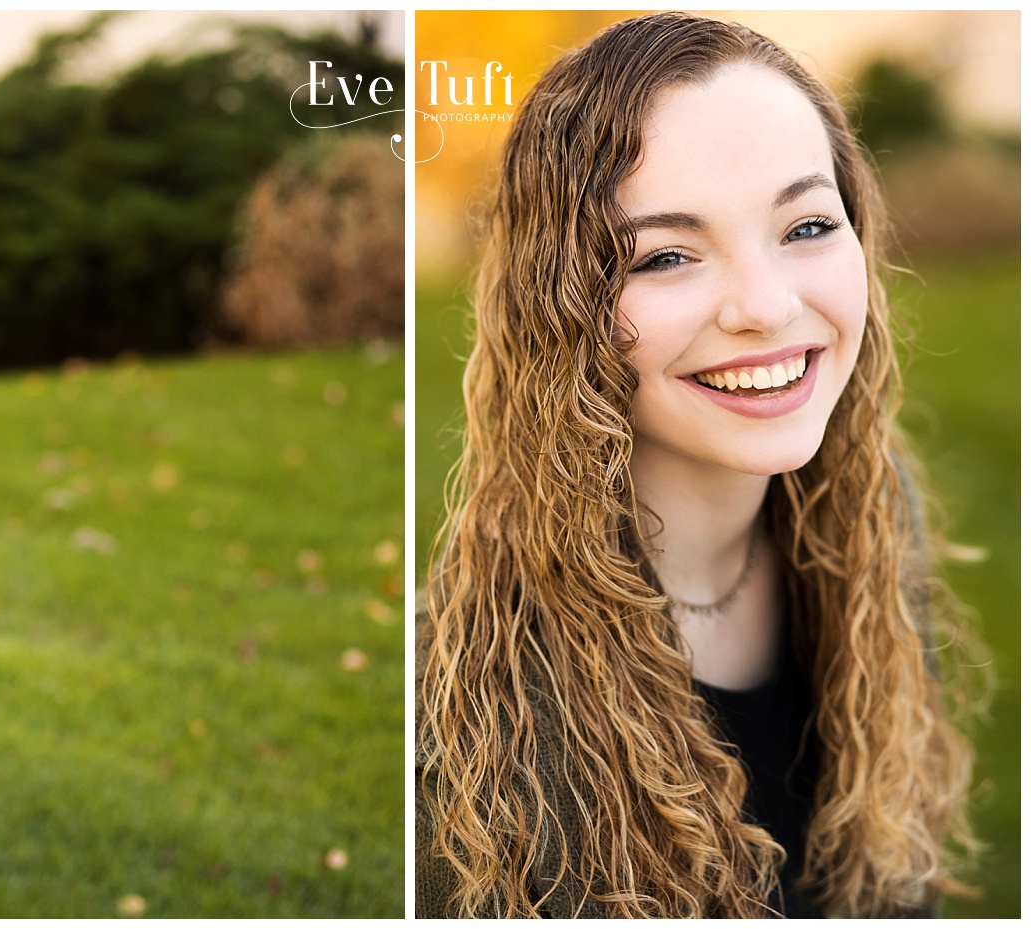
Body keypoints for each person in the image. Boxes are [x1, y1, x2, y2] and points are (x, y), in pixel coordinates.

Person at [416, 13, 974, 919]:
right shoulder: (467, 725)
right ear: (562, 310)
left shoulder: (878, 513)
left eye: (805, 226)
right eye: (668, 254)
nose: (766, 304)